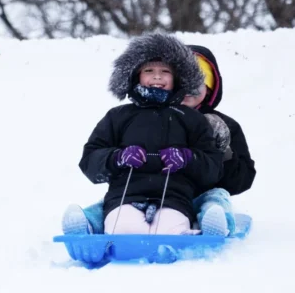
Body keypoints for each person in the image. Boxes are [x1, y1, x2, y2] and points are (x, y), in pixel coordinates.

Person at [62, 44, 256, 237]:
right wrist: (118, 157)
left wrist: (221, 152)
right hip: (131, 193)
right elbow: (93, 156)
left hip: (187, 194)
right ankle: (88, 223)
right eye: (149, 71)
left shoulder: (210, 123)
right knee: (110, 206)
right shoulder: (125, 116)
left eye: (199, 86)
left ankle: (214, 225)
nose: (157, 77)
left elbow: (236, 177)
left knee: (214, 200)